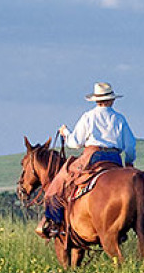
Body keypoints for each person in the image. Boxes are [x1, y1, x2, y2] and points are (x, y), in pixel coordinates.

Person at [40, 82, 137, 237]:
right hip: (115, 159)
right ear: (112, 100)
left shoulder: (88, 117)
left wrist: (65, 133)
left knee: (61, 180)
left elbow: (75, 143)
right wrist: (129, 163)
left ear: (96, 100)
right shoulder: (119, 118)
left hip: (93, 156)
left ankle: (55, 223)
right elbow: (130, 145)